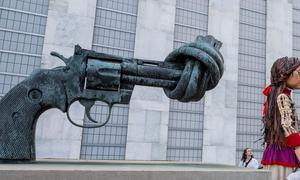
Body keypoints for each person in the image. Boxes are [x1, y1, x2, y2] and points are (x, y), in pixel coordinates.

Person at [261, 57, 300, 180]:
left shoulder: (274, 96)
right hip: (284, 153)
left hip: (274, 151)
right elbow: (288, 126)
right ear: (284, 73)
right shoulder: (282, 97)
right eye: (299, 73)